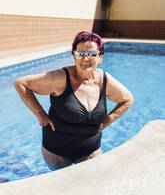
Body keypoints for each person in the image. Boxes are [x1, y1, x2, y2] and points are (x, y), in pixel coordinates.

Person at [14, 31, 133, 170]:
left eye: (92, 54)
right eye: (80, 54)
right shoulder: (60, 78)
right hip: (57, 152)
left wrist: (107, 121)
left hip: (90, 151)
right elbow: (21, 83)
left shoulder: (105, 80)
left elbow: (127, 100)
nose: (85, 58)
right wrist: (40, 113)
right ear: (74, 56)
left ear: (100, 58)